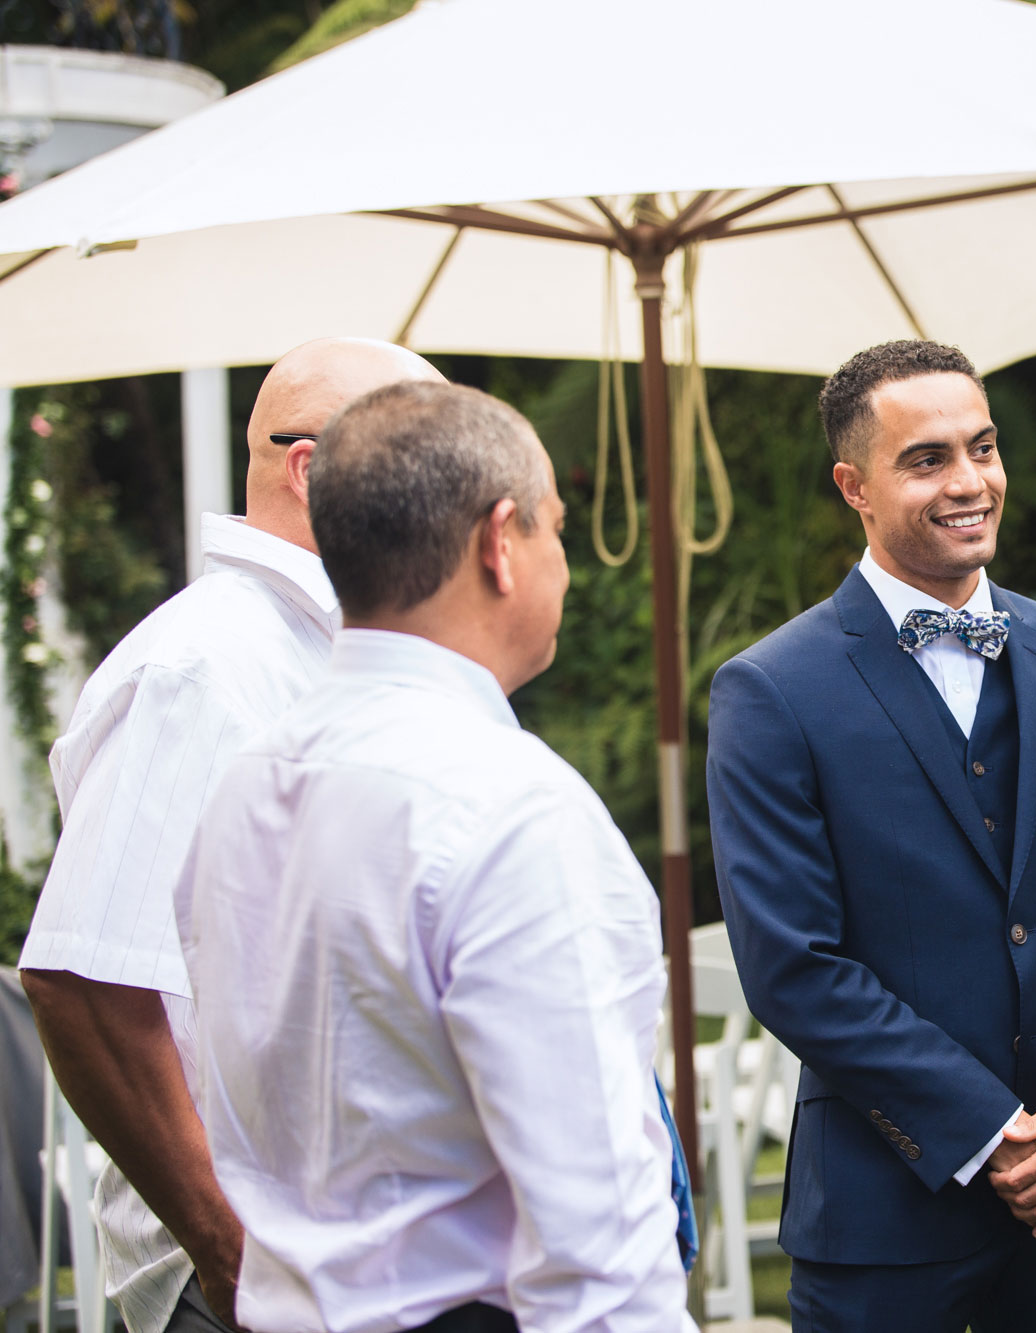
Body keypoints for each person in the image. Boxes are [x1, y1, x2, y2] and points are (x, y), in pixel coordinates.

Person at [172, 382, 694, 1333]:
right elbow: (598, 1242)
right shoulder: (511, 809)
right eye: (556, 531)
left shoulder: (244, 786)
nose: (564, 567)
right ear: (500, 542)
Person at [706, 340, 1036, 1332]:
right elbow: (794, 964)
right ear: (854, 486)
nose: (968, 482)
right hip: (885, 1208)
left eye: (983, 448)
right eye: (926, 459)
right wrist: (986, 1131)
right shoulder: (773, 690)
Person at [18, 337, 442, 1333]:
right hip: (262, 1279)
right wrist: (224, 1243)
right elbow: (82, 974)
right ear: (311, 468)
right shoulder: (209, 665)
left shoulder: (330, 653)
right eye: (434, 456)